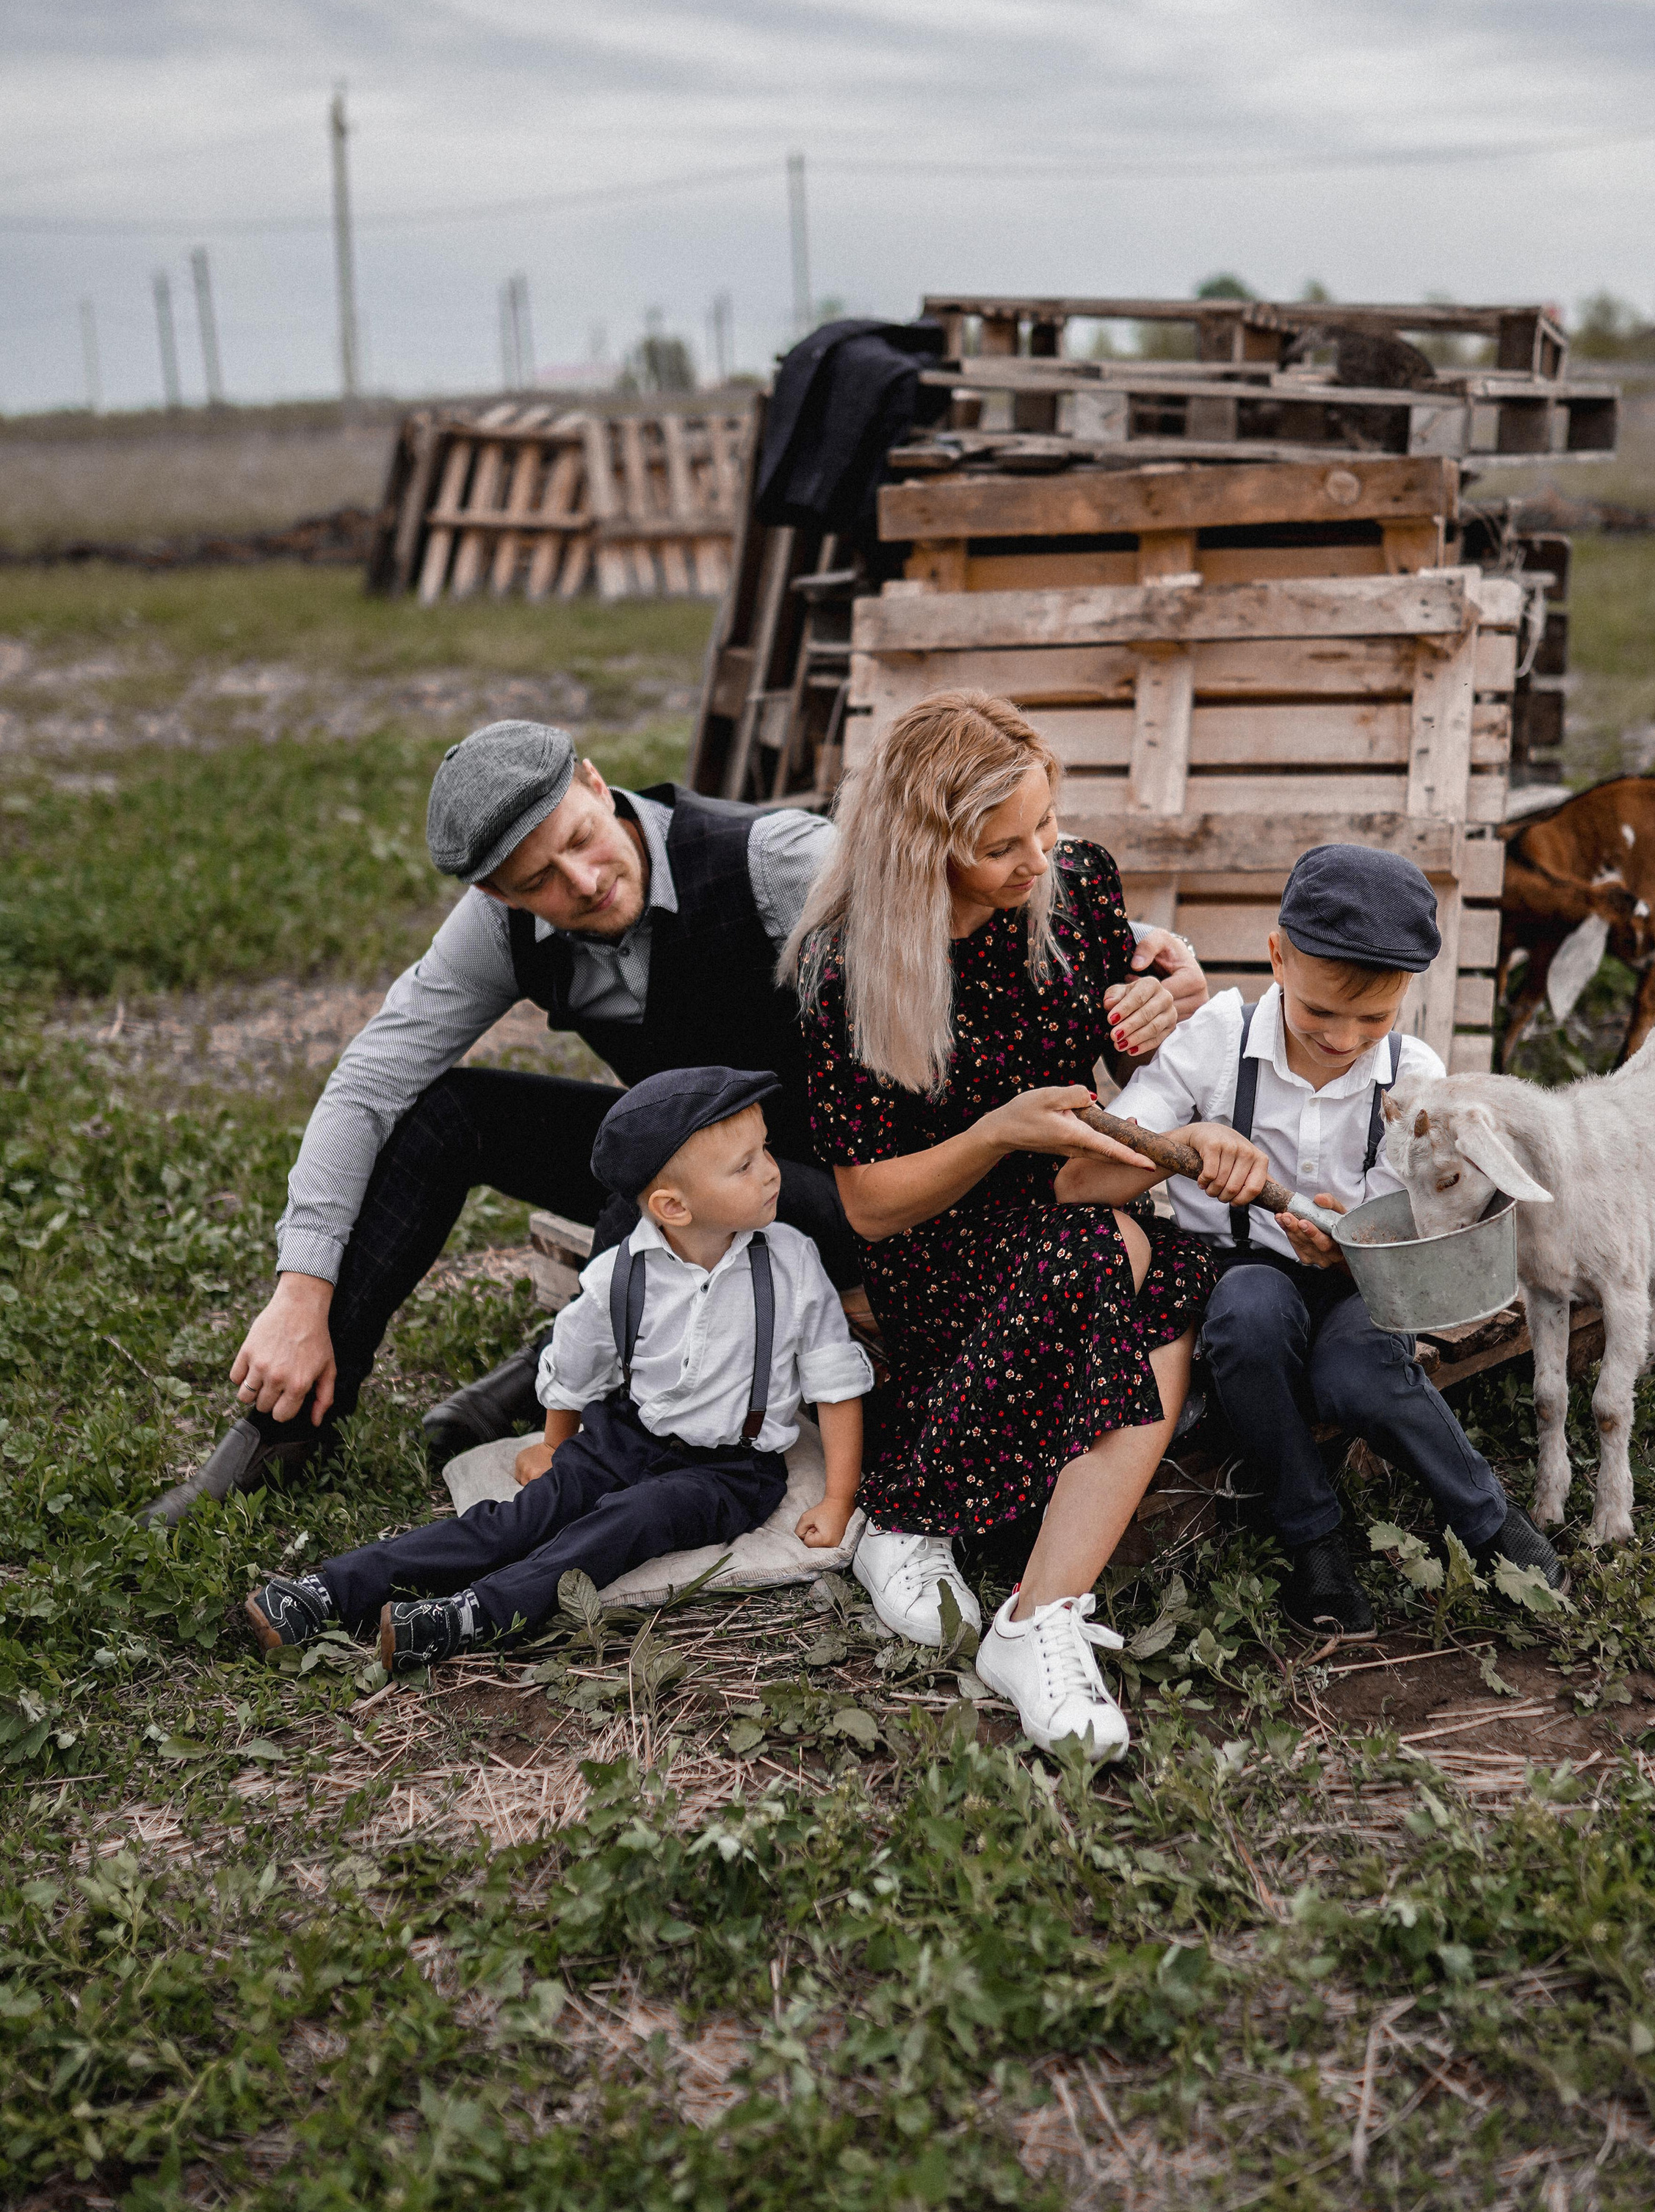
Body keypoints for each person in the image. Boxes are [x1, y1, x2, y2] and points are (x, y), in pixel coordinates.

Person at [140, 718, 1205, 1527]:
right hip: (677, 1172)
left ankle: (571, 1390)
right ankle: (285, 1429)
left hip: (837, 1179)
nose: (580, 882)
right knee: (447, 1110)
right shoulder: (502, 928)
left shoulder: (771, 858)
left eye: (579, 842)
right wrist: (302, 1286)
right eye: (535, 885)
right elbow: (369, 1078)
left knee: (661, 1173)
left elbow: (954, 889)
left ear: (597, 786)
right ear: (500, 896)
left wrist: (1146, 948)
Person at [789, 690, 1217, 1767]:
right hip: (936, 1249)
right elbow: (869, 1204)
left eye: (1048, 824)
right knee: (1107, 1257)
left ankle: (1035, 1617)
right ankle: (905, 1514)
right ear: (926, 850)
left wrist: (1170, 1002)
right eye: (1001, 847)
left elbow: (1124, 1052)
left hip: (1066, 1197)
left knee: (1167, 1273)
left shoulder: (1077, 890)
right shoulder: (850, 972)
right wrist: (992, 1135)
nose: (1039, 860)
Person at [1059, 843, 1565, 1637]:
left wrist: (1351, 1243)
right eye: (1322, 1012)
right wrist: (1191, 1140)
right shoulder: (1215, 1040)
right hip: (1238, 1271)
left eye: (1374, 1017)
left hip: (1357, 1281)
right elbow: (1095, 1165)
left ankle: (1488, 1521)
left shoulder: (1410, 1071)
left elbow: (1413, 1217)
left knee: (1362, 1370)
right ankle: (1311, 1536)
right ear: (1277, 959)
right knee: (1247, 1321)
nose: (1343, 1037)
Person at [242, 1068, 872, 1673]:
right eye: (746, 1165)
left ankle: (471, 1615)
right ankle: (331, 1590)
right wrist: (553, 1443)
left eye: (767, 1151)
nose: (771, 1174)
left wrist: (839, 1498)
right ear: (672, 1206)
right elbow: (573, 1366)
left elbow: (834, 1379)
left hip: (729, 1468)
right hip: (625, 1435)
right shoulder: (619, 1276)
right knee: (522, 1518)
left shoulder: (791, 1263)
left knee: (627, 1523)